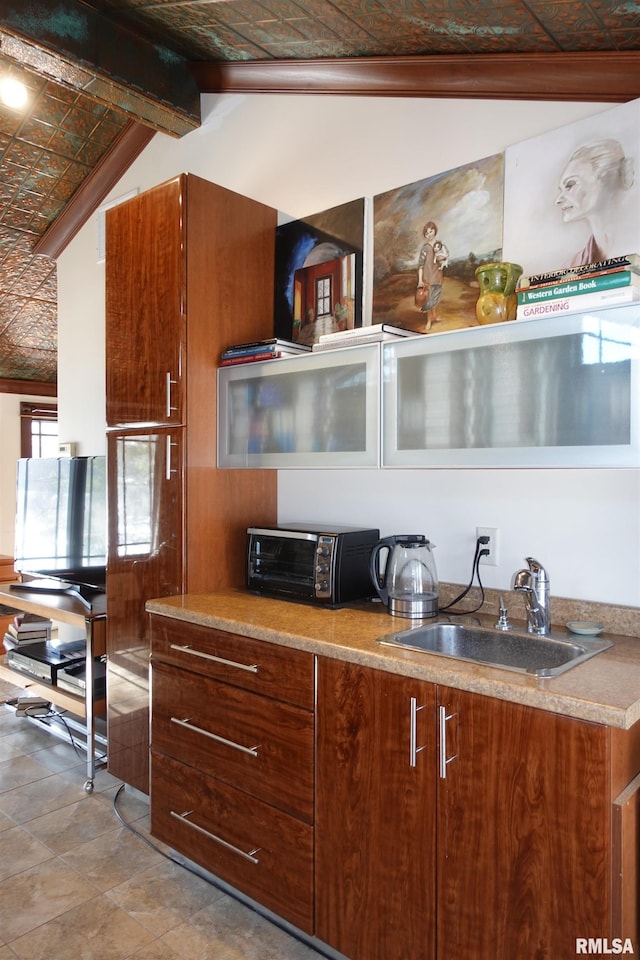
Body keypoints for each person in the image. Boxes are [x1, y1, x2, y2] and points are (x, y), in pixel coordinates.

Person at [555, 138, 635, 266]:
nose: (558, 200)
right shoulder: (572, 266)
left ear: (604, 178)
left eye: (570, 184)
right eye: (561, 189)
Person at [416, 221, 448, 331]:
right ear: (425, 235)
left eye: (431, 231)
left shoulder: (440, 245)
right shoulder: (425, 248)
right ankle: (429, 320)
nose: (429, 234)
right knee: (429, 298)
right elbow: (420, 265)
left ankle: (434, 316)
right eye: (427, 233)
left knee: (435, 297)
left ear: (435, 231)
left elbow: (444, 257)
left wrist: (443, 258)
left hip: (438, 275)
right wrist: (420, 280)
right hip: (428, 277)